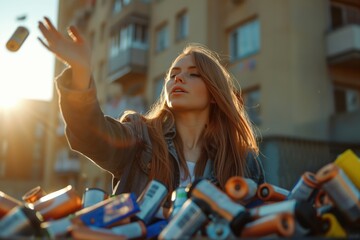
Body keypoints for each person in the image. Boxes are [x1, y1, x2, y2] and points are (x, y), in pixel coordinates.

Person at [38, 17, 265, 204]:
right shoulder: (139, 136)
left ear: (215, 94)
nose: (178, 79)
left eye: (193, 74)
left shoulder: (242, 159)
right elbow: (89, 134)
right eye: (173, 74)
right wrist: (80, 72)